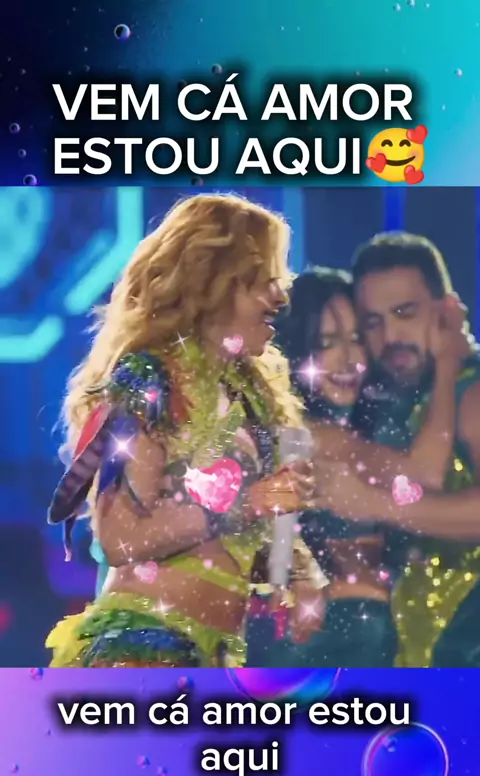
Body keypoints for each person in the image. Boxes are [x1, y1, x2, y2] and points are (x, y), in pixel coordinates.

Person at [46, 193, 327, 668]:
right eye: (264, 280)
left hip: (215, 657)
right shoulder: (150, 380)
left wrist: (298, 573)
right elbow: (121, 539)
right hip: (142, 649)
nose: (281, 297)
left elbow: (231, 534)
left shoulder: (253, 399)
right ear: (213, 284)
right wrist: (251, 501)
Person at [247, 265, 463, 667]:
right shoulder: (310, 434)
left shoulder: (347, 428)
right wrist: (450, 364)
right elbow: (424, 476)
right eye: (327, 343)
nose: (349, 360)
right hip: (324, 644)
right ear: (296, 352)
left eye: (356, 339)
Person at [315, 232, 480, 667]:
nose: (390, 337)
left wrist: (374, 503)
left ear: (446, 312)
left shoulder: (471, 392)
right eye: (373, 323)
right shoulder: (385, 405)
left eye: (405, 313)